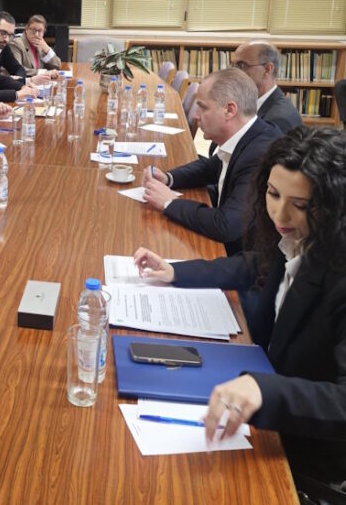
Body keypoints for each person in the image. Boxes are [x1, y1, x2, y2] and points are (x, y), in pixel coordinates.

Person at [133, 127, 346, 502]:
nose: (280, 214)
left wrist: (265, 391)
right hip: (255, 400)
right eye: (273, 194)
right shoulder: (299, 237)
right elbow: (255, 263)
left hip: (301, 449)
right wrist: (176, 272)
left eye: (299, 205)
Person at [142, 68, 283, 255]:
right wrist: (168, 178)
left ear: (229, 110)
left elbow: (226, 225)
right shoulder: (250, 135)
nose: (196, 116)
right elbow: (210, 167)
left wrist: (169, 202)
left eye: (203, 107)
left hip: (244, 258)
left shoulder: (259, 154)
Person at [208, 41, 303, 156]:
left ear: (267, 69)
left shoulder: (278, 120)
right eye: (232, 65)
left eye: (241, 65)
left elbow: (255, 164)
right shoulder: (244, 101)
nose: (233, 72)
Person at [0, 11, 52, 86]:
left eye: (10, 35)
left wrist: (19, 79)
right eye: (3, 33)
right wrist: (27, 81)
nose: (6, 39)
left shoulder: (3, 46)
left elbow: (18, 68)